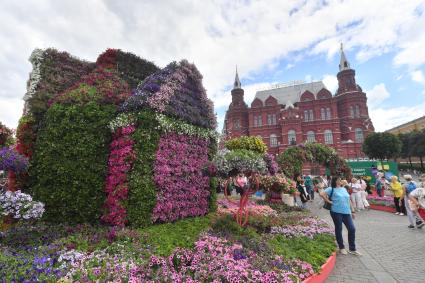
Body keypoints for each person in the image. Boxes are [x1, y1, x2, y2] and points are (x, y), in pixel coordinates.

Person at [320, 176, 361, 256]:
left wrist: (352, 211)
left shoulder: (344, 189)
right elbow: (321, 194)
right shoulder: (331, 188)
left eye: (341, 179)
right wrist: (328, 201)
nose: (340, 181)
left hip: (346, 212)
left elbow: (348, 200)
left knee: (352, 229)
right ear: (335, 181)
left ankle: (352, 249)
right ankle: (341, 247)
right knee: (339, 229)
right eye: (339, 180)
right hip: (336, 211)